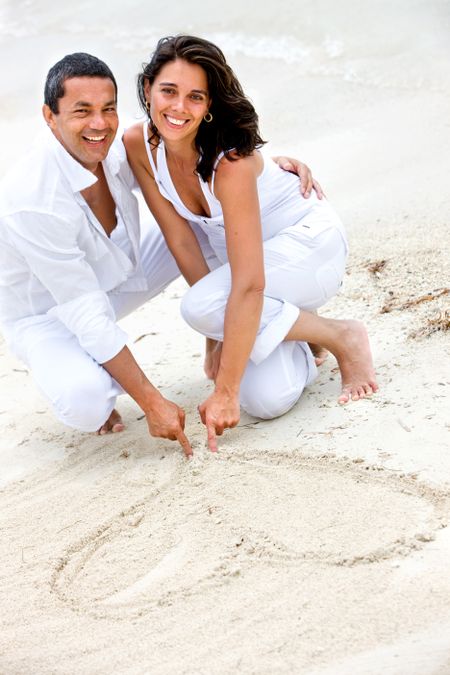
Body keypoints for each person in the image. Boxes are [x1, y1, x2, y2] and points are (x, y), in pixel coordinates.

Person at [0, 51, 318, 457]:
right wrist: (152, 401)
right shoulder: (32, 200)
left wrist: (263, 167)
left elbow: (189, 158)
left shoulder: (111, 147)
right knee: (86, 403)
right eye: (82, 111)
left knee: (201, 230)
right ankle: (90, 372)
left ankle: (257, 323)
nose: (99, 125)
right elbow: (83, 311)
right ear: (50, 116)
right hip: (46, 315)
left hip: (113, 276)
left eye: (108, 109)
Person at [123, 35, 378, 453]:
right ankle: (300, 331)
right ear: (148, 86)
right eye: (168, 91)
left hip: (308, 249)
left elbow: (247, 286)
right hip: (256, 267)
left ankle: (340, 336)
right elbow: (182, 239)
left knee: (202, 307)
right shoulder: (140, 145)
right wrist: (217, 340)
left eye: (195, 97)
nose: (178, 108)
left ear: (209, 106)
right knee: (266, 399)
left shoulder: (230, 163)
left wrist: (224, 389)